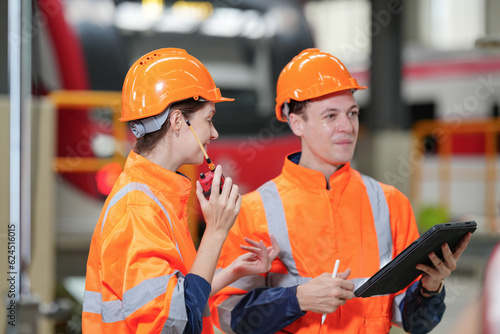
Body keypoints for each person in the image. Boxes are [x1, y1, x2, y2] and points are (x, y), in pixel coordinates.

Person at [210, 48, 472, 334]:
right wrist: (297, 299)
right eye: (331, 116)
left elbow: (414, 323)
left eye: (353, 113)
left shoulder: (390, 203)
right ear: (297, 123)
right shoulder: (252, 210)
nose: (347, 126)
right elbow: (228, 317)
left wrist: (430, 289)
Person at [82, 48, 280, 333]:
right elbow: (174, 325)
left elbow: (177, 296)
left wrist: (231, 272)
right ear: (177, 122)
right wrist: (215, 232)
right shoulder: (138, 208)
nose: (214, 133)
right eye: (209, 119)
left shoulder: (156, 196)